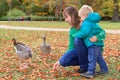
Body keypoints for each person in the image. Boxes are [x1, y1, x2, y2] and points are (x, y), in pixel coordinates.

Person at [52, 6, 106, 74]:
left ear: (72, 16)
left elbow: (102, 32)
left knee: (77, 39)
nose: (65, 20)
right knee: (64, 61)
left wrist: (97, 37)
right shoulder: (72, 30)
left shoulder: (86, 24)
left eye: (66, 17)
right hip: (81, 53)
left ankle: (85, 67)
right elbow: (71, 47)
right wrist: (60, 60)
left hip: (91, 50)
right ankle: (86, 63)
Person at [72, 5, 109, 78]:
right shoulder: (94, 23)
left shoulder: (87, 23)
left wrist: (77, 35)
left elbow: (85, 32)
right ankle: (104, 69)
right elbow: (101, 31)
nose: (81, 19)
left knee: (91, 58)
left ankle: (90, 72)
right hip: (98, 44)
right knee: (99, 58)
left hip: (92, 44)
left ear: (85, 15)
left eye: (81, 17)